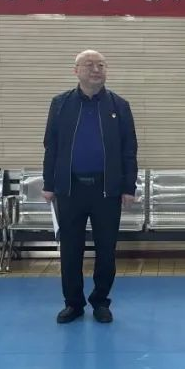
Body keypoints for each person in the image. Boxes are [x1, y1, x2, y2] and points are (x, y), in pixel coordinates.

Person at [42, 49, 139, 324]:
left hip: (106, 190)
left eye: (101, 65)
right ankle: (73, 304)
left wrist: (129, 186)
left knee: (106, 251)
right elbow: (51, 146)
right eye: (89, 65)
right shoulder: (60, 104)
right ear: (76, 70)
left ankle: (100, 302)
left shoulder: (119, 106)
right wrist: (49, 183)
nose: (96, 69)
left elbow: (129, 149)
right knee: (70, 251)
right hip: (70, 189)